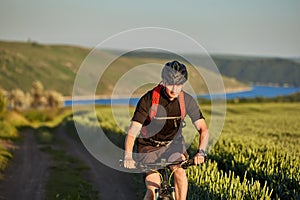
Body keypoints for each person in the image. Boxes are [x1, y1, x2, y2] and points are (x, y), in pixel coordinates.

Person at [123, 60, 209, 200]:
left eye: (179, 85)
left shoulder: (186, 100)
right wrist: (128, 156)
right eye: (170, 84)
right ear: (163, 81)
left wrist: (201, 151)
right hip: (149, 146)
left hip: (173, 144)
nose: (174, 90)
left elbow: (203, 129)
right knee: (153, 188)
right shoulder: (149, 99)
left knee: (180, 172)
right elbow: (133, 131)